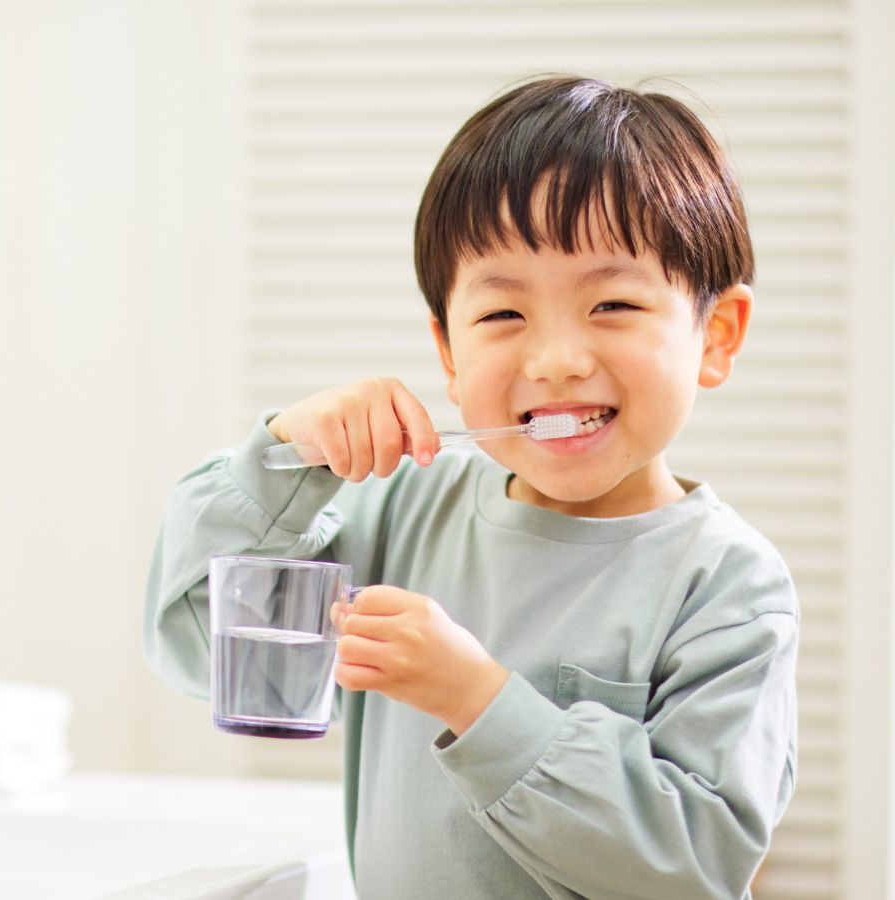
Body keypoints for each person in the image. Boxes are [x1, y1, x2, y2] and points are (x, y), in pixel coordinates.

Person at [143, 76, 798, 900]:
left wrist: (478, 701)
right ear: (448, 353)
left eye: (615, 303)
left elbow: (692, 866)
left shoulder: (728, 586)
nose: (556, 358)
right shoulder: (400, 509)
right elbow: (192, 637)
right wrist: (283, 458)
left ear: (718, 335)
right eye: (503, 317)